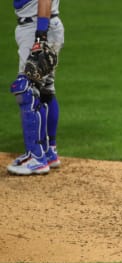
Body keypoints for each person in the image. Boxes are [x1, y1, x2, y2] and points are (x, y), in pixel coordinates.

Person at [7, 0, 64, 175]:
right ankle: (48, 152)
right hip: (46, 24)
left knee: (26, 89)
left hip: (37, 26)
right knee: (46, 91)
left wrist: (40, 36)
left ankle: (36, 158)